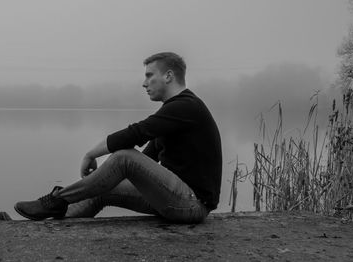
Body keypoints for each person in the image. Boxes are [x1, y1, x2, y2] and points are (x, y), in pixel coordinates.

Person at [14, 52, 222, 224]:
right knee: (103, 189)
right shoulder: (174, 112)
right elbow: (146, 162)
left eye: (150, 76)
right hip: (174, 198)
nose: (144, 83)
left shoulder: (186, 107)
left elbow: (135, 134)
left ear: (168, 76)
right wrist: (101, 180)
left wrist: (91, 154)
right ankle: (47, 223)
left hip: (192, 205)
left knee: (124, 156)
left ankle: (56, 200)